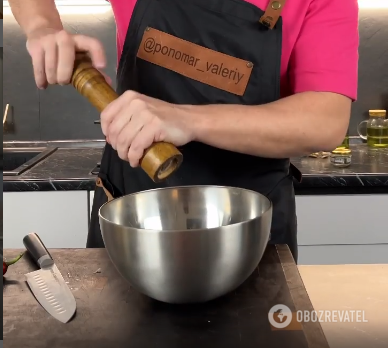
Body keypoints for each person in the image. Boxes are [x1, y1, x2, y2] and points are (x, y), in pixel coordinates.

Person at [9, 0, 359, 262]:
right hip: (132, 217)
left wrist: (187, 120)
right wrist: (42, 26)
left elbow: (325, 121)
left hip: (251, 233)